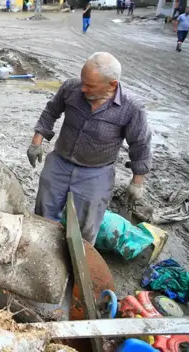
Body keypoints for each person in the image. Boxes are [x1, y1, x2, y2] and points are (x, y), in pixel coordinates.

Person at [27, 52, 152, 244]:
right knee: (44, 215)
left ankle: (76, 266)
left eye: (90, 85)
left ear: (112, 84)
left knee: (84, 229)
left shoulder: (131, 108)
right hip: (59, 163)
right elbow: (51, 111)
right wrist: (37, 141)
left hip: (96, 173)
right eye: (82, 81)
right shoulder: (72, 87)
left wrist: (137, 183)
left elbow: (140, 144)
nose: (83, 88)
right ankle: (42, 253)